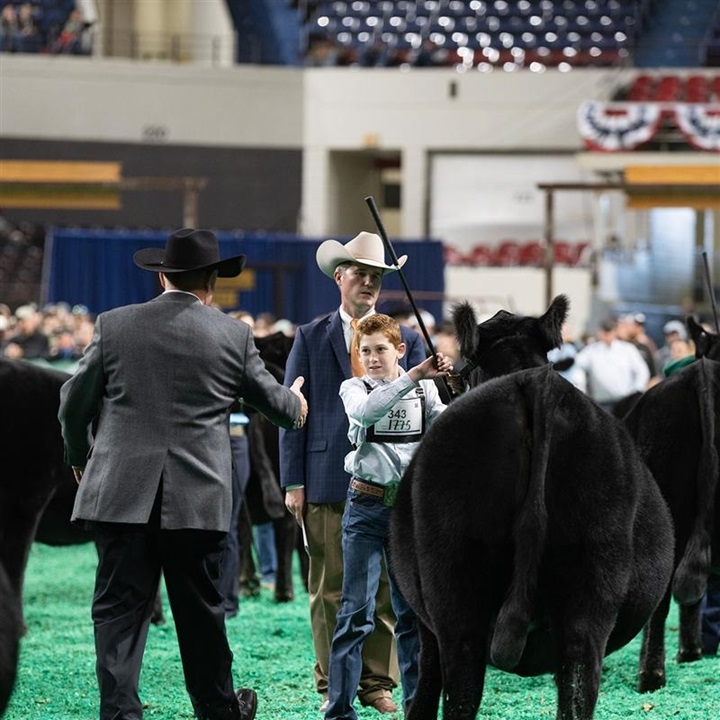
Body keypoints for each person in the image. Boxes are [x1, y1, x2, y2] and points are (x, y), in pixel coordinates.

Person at [57, 228, 308, 720]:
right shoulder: (233, 335)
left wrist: (79, 455)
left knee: (117, 615)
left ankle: (120, 712)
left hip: (119, 497)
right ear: (212, 281)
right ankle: (218, 711)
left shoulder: (114, 325)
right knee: (201, 617)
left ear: (163, 276)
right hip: (198, 500)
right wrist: (296, 402)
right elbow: (279, 408)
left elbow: (72, 405)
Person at [280, 231, 426, 714]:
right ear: (339, 277)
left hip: (386, 483)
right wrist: (293, 481)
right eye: (360, 273)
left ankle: (377, 684)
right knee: (330, 587)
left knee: (387, 588)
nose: (368, 281)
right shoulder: (309, 335)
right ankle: (330, 682)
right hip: (323, 477)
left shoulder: (396, 340)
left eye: (376, 275)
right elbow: (291, 411)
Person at [325, 313, 452, 720]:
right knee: (355, 613)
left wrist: (458, 386)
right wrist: (414, 375)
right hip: (365, 508)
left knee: (411, 614)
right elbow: (365, 414)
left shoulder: (425, 391)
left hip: (409, 513)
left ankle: (417, 708)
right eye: (365, 351)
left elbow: (446, 430)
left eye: (380, 349)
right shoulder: (354, 387)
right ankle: (340, 710)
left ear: (398, 349)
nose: (373, 358)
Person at [573, 317, 650, 413]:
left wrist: (636, 391)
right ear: (599, 332)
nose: (607, 334)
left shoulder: (627, 349)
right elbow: (576, 365)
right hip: (601, 403)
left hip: (624, 402)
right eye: (604, 331)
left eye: (609, 331)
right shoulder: (591, 350)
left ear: (615, 331)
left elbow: (642, 371)